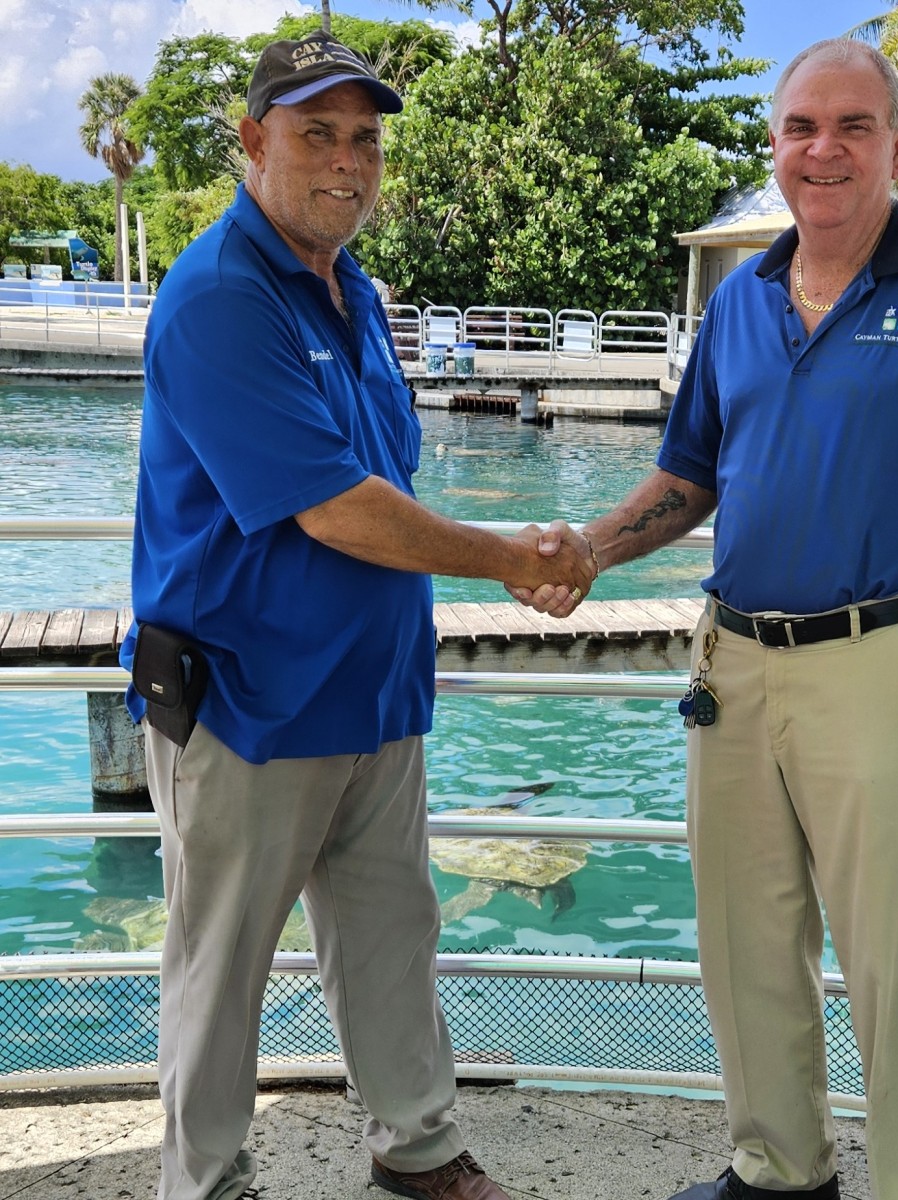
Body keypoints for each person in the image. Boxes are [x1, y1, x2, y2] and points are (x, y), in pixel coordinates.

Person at [513, 38, 898, 1200]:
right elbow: (691, 478)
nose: (822, 150)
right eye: (799, 128)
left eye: (852, 127)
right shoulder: (739, 301)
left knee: (893, 964)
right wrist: (590, 551)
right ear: (775, 147)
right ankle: (779, 1173)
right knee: (746, 943)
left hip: (883, 661)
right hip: (732, 664)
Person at [118, 31, 593, 1200]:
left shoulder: (355, 292)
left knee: (392, 936)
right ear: (252, 142)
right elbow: (333, 509)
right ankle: (206, 1180)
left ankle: (417, 1146)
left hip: (374, 690)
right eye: (316, 133)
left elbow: (383, 476)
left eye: (365, 139)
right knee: (220, 964)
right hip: (247, 700)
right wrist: (505, 559)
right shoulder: (219, 297)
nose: (347, 161)